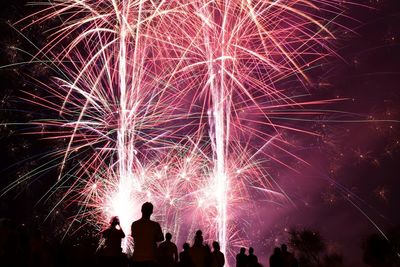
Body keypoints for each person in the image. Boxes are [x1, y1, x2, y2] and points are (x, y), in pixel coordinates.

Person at [131, 202, 164, 267]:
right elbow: (161, 238)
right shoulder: (155, 225)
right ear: (151, 212)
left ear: (141, 210)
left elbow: (134, 236)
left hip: (137, 258)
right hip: (150, 258)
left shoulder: (134, 224)